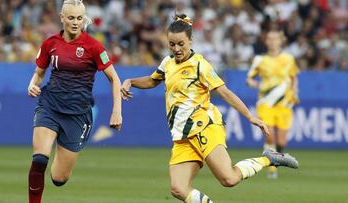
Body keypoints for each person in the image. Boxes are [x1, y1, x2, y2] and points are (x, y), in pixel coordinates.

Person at [121, 14, 298, 203]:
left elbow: (225, 92)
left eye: (181, 43)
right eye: (172, 44)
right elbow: (152, 80)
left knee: (229, 179)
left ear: (190, 40)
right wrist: (130, 81)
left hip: (204, 126)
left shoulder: (200, 65)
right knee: (178, 189)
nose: (177, 49)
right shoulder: (167, 63)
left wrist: (250, 117)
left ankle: (269, 158)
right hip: (182, 136)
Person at [27, 1, 122, 203]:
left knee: (59, 178)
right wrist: (32, 84)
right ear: (62, 18)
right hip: (50, 106)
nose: (75, 22)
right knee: (39, 159)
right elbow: (39, 73)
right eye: (71, 18)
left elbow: (115, 79)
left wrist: (117, 111)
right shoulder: (50, 43)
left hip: (78, 114)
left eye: (79, 18)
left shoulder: (94, 47)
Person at [246, 30, 299, 179]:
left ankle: (279, 156)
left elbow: (293, 77)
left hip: (284, 104)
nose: (272, 41)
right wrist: (258, 85)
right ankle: (272, 169)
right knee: (270, 138)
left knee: (281, 140)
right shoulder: (260, 60)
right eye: (269, 38)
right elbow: (249, 79)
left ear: (280, 41)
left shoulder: (289, 59)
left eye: (275, 38)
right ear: (266, 41)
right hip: (266, 103)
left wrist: (294, 92)